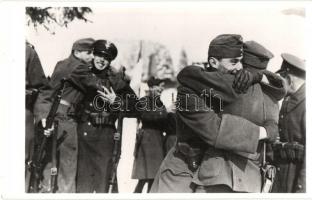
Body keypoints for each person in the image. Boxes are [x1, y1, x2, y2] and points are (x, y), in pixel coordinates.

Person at [150, 35, 285, 193]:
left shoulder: (230, 85)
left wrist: (259, 75)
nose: (240, 68)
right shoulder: (187, 91)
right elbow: (214, 129)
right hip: (183, 171)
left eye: (241, 62)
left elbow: (278, 85)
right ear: (213, 62)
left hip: (211, 170)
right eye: (234, 62)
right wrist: (264, 132)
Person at [71, 39, 137, 193]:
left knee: (104, 184)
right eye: (99, 55)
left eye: (107, 58)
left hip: (105, 136)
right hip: (85, 133)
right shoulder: (82, 72)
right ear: (93, 54)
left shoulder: (116, 80)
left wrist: (117, 101)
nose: (102, 60)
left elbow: (136, 106)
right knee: (83, 183)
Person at [36, 38, 95, 193]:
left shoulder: (62, 64)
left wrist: (43, 117)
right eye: (89, 53)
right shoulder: (80, 68)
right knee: (67, 167)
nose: (92, 57)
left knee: (51, 164)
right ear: (76, 52)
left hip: (54, 117)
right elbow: (98, 85)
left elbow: (47, 92)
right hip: (66, 119)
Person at [272, 53, 306, 193]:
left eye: (282, 80)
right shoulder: (289, 100)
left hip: (296, 179)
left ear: (289, 78)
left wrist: (302, 189)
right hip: (283, 175)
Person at [131, 77, 168, 193]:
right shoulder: (144, 101)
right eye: (159, 86)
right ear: (151, 87)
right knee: (144, 176)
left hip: (157, 140)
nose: (161, 89)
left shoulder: (160, 103)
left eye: (162, 86)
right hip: (147, 140)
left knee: (152, 176)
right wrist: (164, 113)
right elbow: (146, 116)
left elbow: (163, 123)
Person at [25, 41, 50, 192]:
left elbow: (42, 89)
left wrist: (42, 115)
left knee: (22, 161)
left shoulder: (27, 52)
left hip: (21, 113)